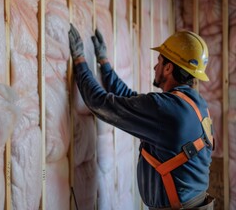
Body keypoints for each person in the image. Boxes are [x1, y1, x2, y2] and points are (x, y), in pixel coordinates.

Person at [68, 23, 215, 210]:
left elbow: (100, 103)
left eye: (159, 61)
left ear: (169, 68)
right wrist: (104, 64)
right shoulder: (195, 105)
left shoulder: (167, 110)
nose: (155, 66)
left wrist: (80, 61)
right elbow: (130, 99)